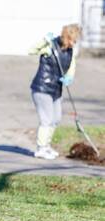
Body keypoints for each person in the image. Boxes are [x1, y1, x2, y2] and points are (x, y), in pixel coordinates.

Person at [29, 24, 81, 159]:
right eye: (72, 40)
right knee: (46, 119)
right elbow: (31, 50)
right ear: (66, 37)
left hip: (56, 89)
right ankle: (41, 149)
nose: (73, 43)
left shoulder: (70, 51)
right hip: (42, 88)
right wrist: (43, 41)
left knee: (56, 118)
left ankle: (47, 146)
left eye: (75, 41)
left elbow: (71, 66)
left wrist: (69, 77)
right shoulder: (50, 46)